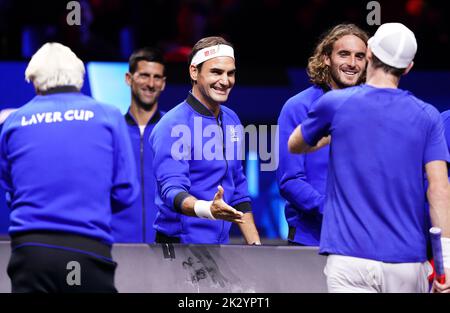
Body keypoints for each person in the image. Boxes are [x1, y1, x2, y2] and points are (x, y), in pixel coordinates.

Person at [288, 23, 450, 293]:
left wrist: (333, 133)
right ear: (408, 67)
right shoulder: (427, 116)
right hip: (407, 262)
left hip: (350, 260)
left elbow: (296, 145)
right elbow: (439, 189)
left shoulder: (336, 104)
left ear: (370, 54)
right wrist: (446, 262)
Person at [0, 42, 139, 292]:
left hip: (30, 252)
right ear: (79, 77)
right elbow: (126, 192)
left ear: (33, 80)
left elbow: (11, 192)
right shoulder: (109, 116)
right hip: (87, 248)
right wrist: (89, 206)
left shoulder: (13, 121)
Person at [149, 36, 261, 245]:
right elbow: (171, 190)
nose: (225, 81)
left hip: (219, 249)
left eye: (231, 73)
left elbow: (239, 189)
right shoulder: (173, 124)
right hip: (179, 248)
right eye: (216, 72)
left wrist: (256, 246)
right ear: (194, 72)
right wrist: (208, 209)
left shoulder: (232, 119)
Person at [277, 24, 368, 246]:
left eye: (360, 56)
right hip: (311, 242)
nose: (352, 64)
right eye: (344, 54)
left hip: (364, 243)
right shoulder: (298, 107)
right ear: (326, 58)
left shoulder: (373, 108)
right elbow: (289, 180)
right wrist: (332, 211)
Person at [111, 47, 166, 243]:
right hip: (118, 246)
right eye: (144, 75)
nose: (151, 84)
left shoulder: (175, 130)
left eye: (157, 77)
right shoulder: (111, 131)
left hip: (166, 248)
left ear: (163, 83)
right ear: (129, 78)